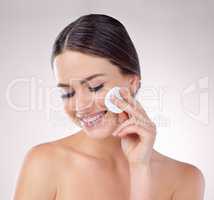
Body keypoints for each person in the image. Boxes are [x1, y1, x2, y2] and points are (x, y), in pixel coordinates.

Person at [13, 14, 205, 200]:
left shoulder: (186, 179)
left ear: (133, 83)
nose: (81, 105)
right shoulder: (45, 163)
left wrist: (140, 169)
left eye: (95, 87)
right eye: (68, 93)